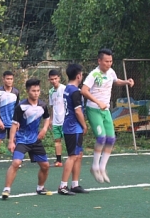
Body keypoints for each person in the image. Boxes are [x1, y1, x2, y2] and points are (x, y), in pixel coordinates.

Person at [81, 48, 134, 183]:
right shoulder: (94, 74)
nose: (109, 64)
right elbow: (84, 90)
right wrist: (98, 102)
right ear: (99, 61)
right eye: (106, 61)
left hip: (106, 111)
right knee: (102, 138)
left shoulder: (111, 72)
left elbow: (116, 81)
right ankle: (94, 166)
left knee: (111, 139)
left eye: (111, 61)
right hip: (94, 110)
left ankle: (102, 168)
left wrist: (126, 82)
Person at [2, 78, 51, 199]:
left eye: (38, 91)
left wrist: (44, 129)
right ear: (28, 91)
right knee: (16, 162)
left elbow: (47, 118)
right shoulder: (21, 106)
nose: (36, 93)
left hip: (35, 140)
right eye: (33, 90)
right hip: (22, 139)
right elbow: (14, 124)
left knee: (45, 166)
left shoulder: (43, 105)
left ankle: (40, 188)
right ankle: (6, 189)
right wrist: (11, 141)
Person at [58, 64, 89, 195]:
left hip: (70, 126)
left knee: (78, 155)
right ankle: (63, 186)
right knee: (73, 156)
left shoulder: (67, 89)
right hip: (73, 127)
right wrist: (84, 125)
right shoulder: (75, 91)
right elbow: (77, 111)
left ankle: (75, 184)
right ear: (78, 76)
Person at [0, 70, 20, 170]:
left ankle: (16, 160)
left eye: (11, 79)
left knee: (14, 140)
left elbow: (17, 109)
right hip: (1, 122)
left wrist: (18, 121)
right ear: (3, 79)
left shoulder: (16, 92)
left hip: (12, 122)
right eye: (7, 79)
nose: (9, 81)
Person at [47, 69, 66, 167]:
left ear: (59, 78)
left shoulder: (64, 89)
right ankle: (58, 161)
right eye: (51, 79)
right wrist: (50, 119)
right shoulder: (50, 91)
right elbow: (52, 106)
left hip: (65, 121)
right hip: (55, 121)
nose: (54, 81)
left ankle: (73, 158)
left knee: (68, 140)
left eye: (55, 78)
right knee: (57, 141)